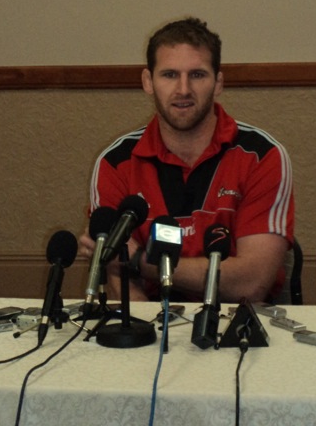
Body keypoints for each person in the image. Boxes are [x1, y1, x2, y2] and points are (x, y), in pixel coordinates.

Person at [79, 17, 294, 303]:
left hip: (236, 320)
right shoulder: (115, 163)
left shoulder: (262, 156)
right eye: (169, 75)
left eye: (197, 75)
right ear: (148, 82)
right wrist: (153, 327)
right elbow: (118, 276)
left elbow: (250, 284)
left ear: (218, 83)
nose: (183, 89)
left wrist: (139, 259)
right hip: (147, 321)